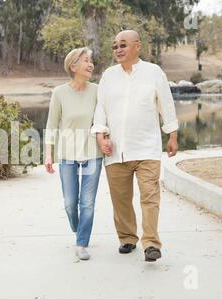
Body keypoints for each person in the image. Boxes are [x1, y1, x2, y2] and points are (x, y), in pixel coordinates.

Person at [91, 30, 179, 262]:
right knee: (120, 200)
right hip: (115, 151)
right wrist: (101, 136)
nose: (118, 49)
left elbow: (166, 104)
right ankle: (128, 238)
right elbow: (101, 108)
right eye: (114, 46)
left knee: (150, 196)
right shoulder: (109, 76)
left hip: (147, 148)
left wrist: (172, 135)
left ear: (137, 46)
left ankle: (151, 243)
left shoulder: (153, 72)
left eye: (123, 45)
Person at [44, 47, 103, 261]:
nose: (91, 64)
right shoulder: (59, 93)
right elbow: (51, 125)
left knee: (87, 202)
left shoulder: (97, 90)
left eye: (91, 60)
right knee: (71, 203)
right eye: (86, 61)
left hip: (92, 153)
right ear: (73, 66)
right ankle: (79, 228)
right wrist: (48, 155)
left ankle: (81, 243)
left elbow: (103, 120)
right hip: (67, 154)